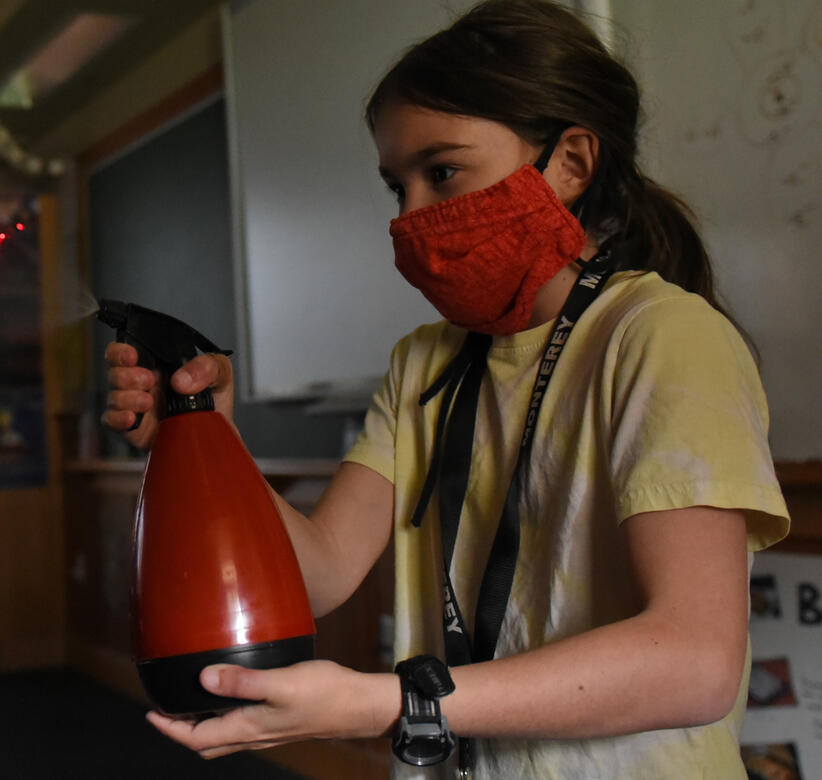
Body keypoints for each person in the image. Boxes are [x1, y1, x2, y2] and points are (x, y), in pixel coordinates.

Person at [101, 1, 790, 777]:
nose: (413, 219)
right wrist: (209, 435)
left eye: (444, 172)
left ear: (570, 163)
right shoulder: (422, 363)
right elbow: (322, 573)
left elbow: (694, 662)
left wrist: (399, 702)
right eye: (398, 186)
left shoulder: (664, 337)